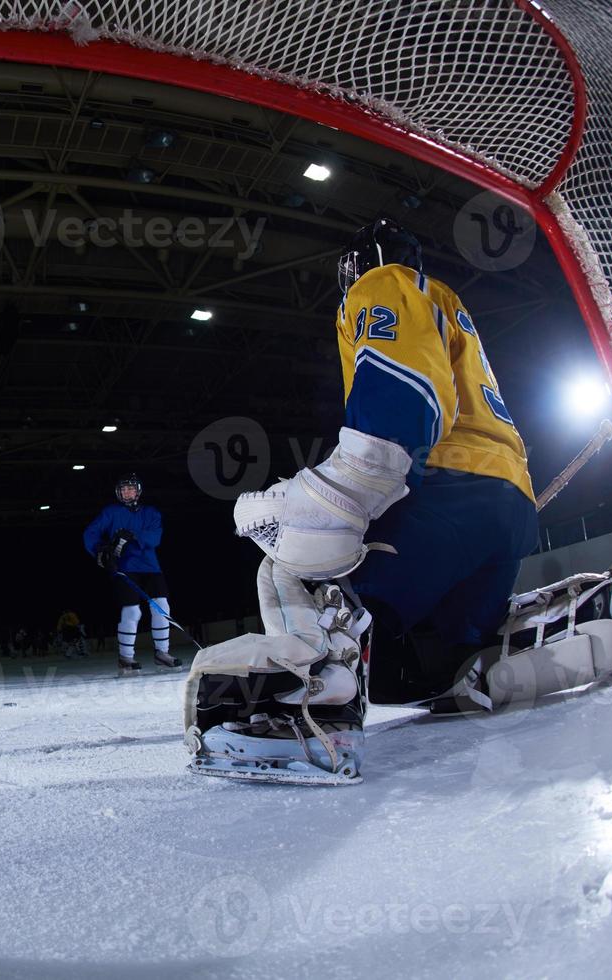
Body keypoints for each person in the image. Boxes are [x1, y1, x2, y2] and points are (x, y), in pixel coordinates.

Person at [185, 218, 540, 783]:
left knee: (295, 568)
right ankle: (478, 657)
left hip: (447, 493)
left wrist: (340, 494)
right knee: (439, 656)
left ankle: (312, 707)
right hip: (510, 504)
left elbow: (404, 396)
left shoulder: (386, 284)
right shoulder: (448, 304)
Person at [83, 474, 182, 675]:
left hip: (151, 567)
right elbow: (90, 533)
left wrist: (134, 535)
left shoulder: (151, 512)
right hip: (124, 568)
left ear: (138, 491)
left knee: (162, 607)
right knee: (132, 612)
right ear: (119, 493)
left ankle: (162, 654)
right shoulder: (111, 512)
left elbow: (155, 538)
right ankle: (126, 657)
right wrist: (100, 550)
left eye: (130, 489)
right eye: (123, 490)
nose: (127, 493)